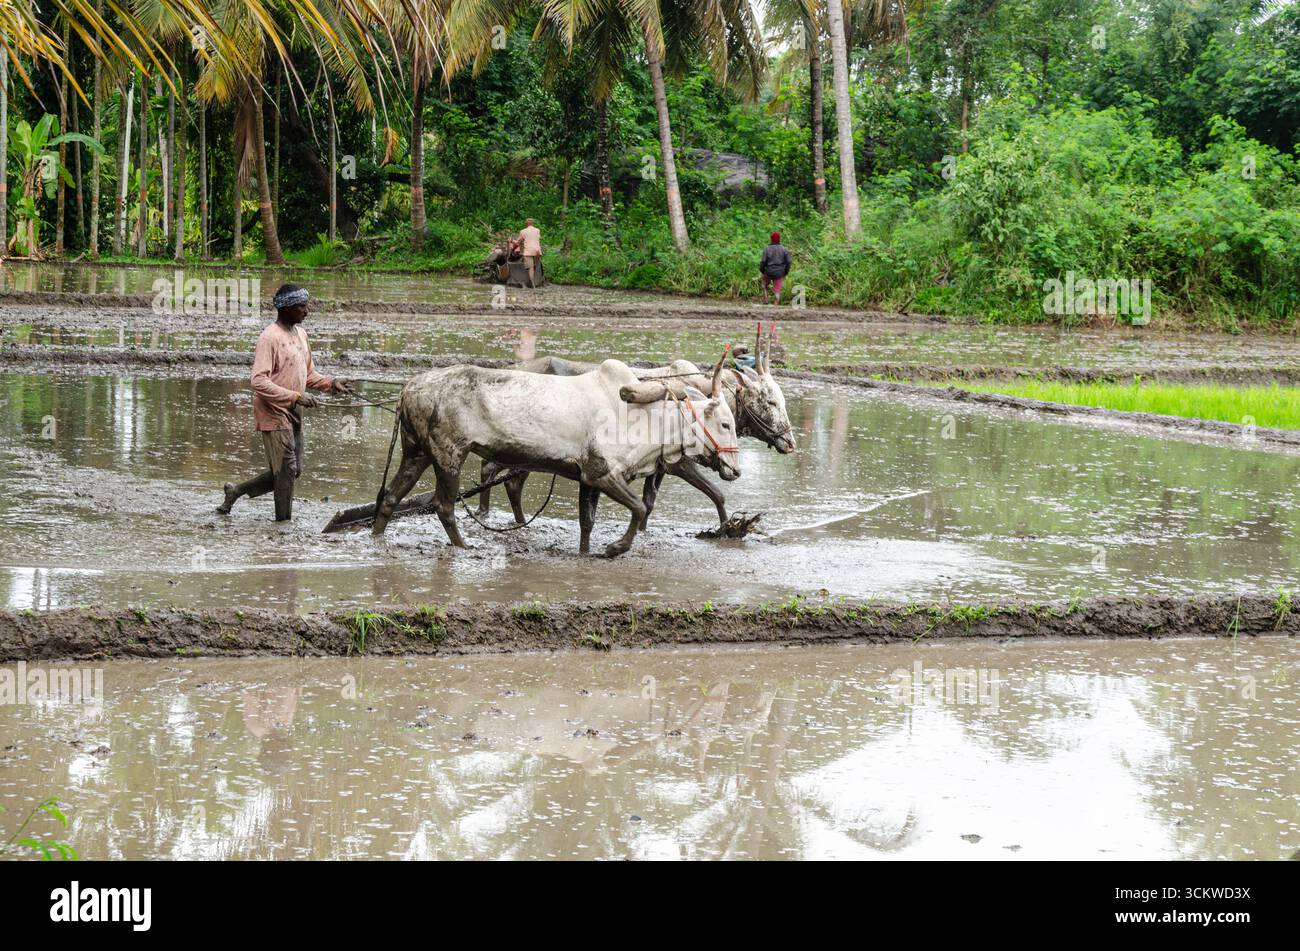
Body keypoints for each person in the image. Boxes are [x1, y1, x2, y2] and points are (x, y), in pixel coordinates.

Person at [216, 283, 351, 521]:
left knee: (292, 471)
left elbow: (308, 375)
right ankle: (283, 524)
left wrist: (331, 384)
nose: (306, 311)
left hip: (294, 410)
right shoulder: (269, 337)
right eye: (301, 306)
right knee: (286, 471)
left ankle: (236, 491)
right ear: (286, 308)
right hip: (273, 412)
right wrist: (295, 396)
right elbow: (258, 381)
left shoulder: (301, 334)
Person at [759, 231, 791, 305]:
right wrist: (786, 271)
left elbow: (763, 261)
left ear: (771, 239)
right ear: (779, 239)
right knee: (777, 290)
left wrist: (762, 270)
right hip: (780, 273)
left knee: (764, 285)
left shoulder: (767, 249)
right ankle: (776, 305)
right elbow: (789, 262)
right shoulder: (784, 249)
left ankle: (766, 300)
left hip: (768, 271)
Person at [518, 218, 542, 288]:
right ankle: (538, 281)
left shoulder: (523, 231)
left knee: (531, 268)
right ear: (533, 223)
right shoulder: (537, 230)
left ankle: (533, 285)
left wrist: (512, 241)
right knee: (535, 266)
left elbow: (518, 242)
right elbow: (538, 239)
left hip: (528, 251)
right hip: (537, 251)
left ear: (526, 224)